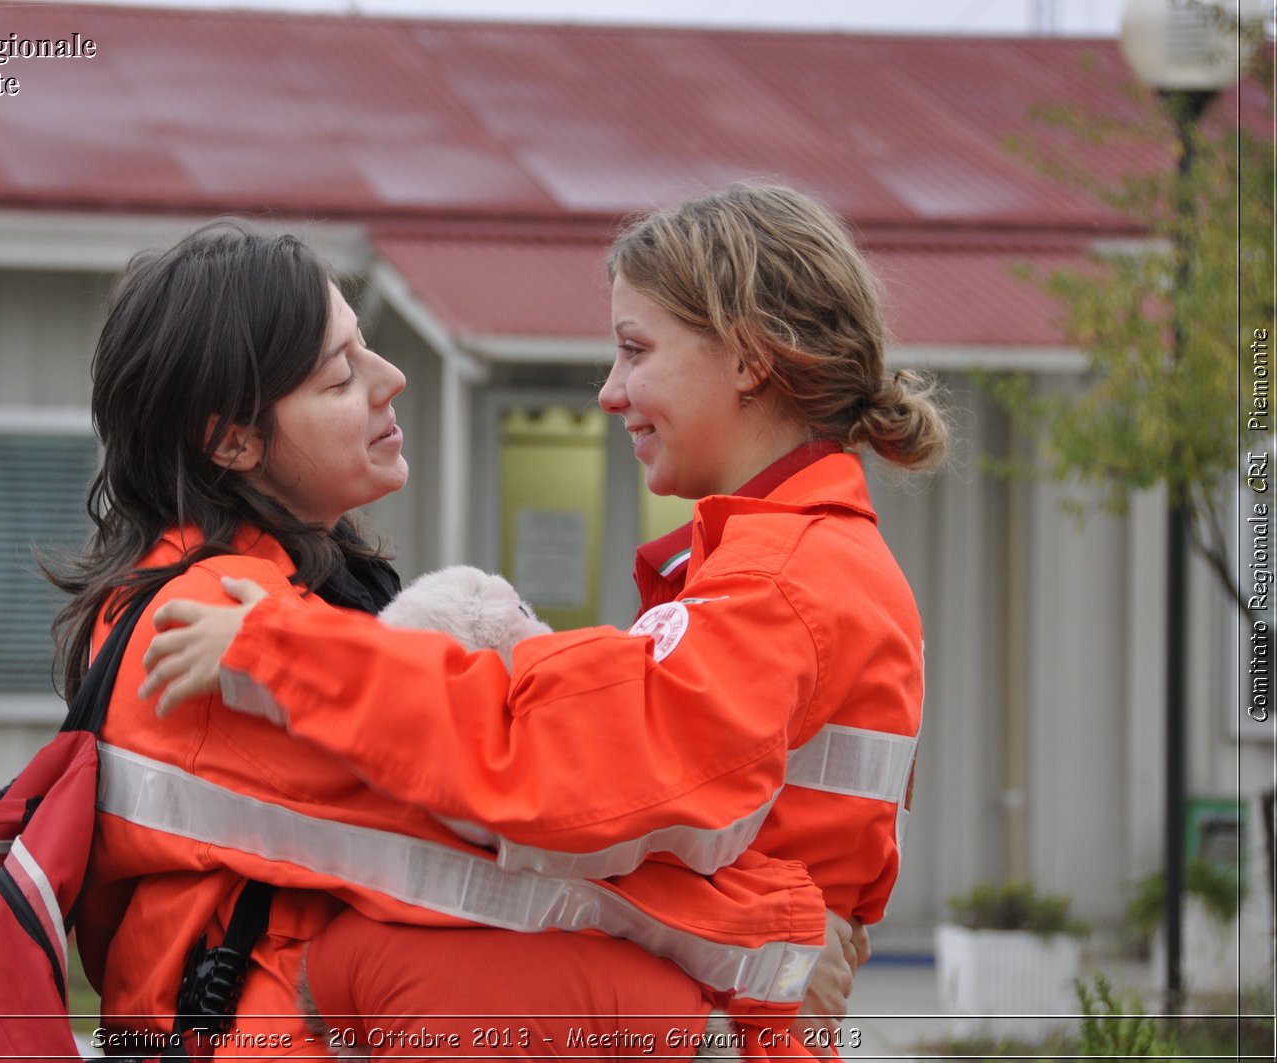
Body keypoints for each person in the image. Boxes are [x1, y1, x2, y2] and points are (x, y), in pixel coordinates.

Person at [139, 182, 948, 1057]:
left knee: (364, 961)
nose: (609, 391)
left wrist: (285, 653)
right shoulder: (783, 566)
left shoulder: (781, 583)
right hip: (745, 1008)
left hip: (731, 1019)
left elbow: (575, 777)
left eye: (635, 350)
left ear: (750, 357)